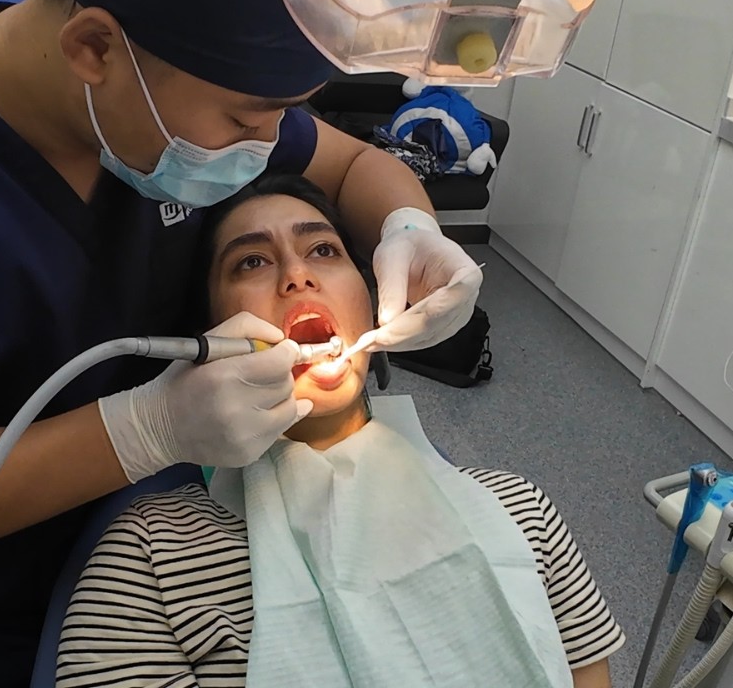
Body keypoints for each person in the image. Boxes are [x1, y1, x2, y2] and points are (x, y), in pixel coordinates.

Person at [0, 0, 484, 686]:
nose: (267, 145)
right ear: (93, 48)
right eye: (241, 120)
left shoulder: (183, 83)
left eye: (280, 116)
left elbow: (352, 163)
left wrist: (409, 225)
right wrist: (146, 430)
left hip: (194, 582)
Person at [56, 175, 624, 688]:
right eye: (251, 262)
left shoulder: (522, 510)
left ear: (372, 296)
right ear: (210, 337)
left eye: (324, 250)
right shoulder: (150, 560)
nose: (297, 274)